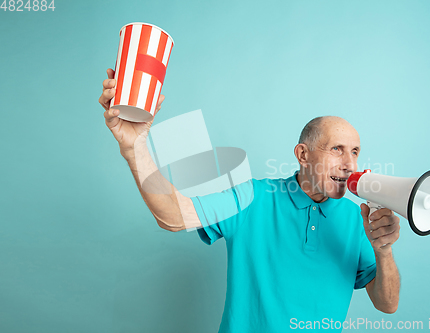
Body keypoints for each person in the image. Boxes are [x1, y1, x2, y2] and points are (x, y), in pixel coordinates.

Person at [99, 68, 401, 332]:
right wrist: (134, 146)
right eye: (337, 149)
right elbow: (174, 217)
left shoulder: (357, 218)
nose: (350, 164)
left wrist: (383, 250)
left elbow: (387, 305)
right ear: (303, 155)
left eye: (355, 151)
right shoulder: (251, 196)